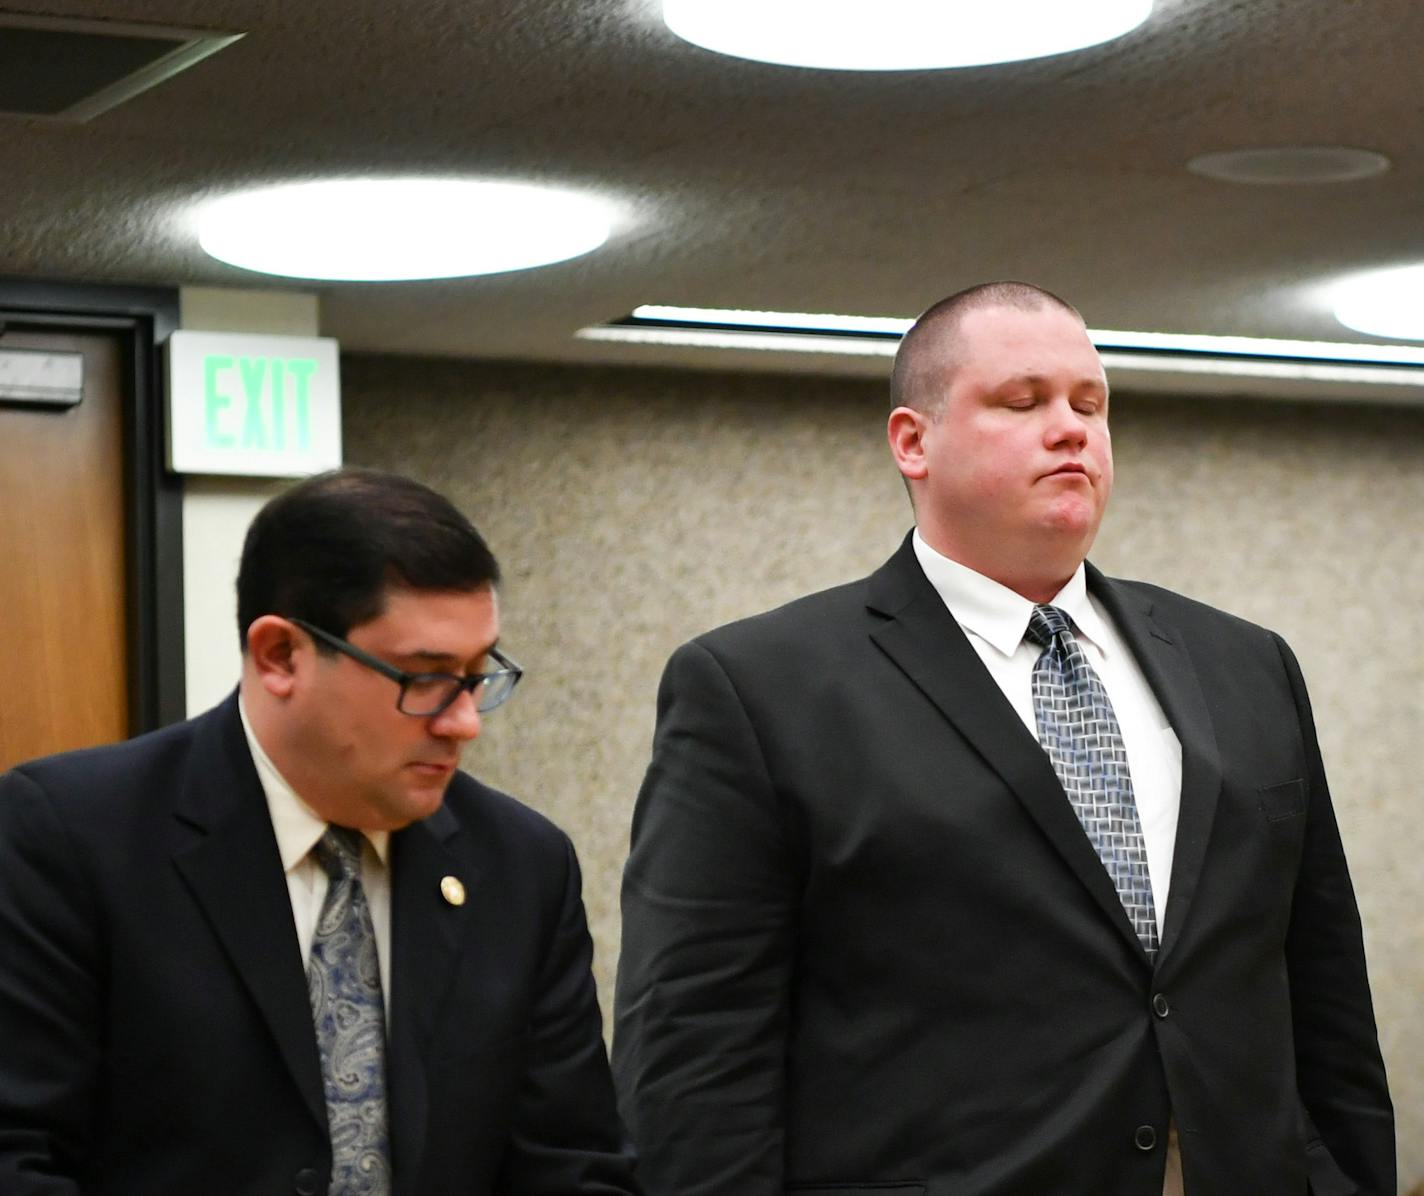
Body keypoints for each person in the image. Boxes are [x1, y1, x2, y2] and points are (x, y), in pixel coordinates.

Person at [613, 282, 1395, 1196]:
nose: (1070, 430)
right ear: (913, 441)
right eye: (1023, 403)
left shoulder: (1245, 663)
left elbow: (1327, 993)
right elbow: (696, 1047)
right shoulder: (760, 687)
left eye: (1090, 405)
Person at [0, 468, 639, 1195]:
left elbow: (573, 1165)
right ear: (280, 657)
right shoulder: (75, 835)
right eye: (424, 678)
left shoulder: (521, 865)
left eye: (475, 674)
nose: (463, 721)